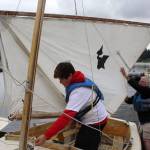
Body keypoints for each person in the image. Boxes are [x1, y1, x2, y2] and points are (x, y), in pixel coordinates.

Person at [35, 62, 108, 150]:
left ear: (69, 75)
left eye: (61, 79)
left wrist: (45, 136)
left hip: (95, 122)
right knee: (85, 143)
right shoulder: (79, 79)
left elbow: (65, 118)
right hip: (97, 116)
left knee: (81, 147)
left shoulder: (78, 92)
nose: (60, 82)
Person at [120, 67, 150, 150]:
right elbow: (129, 101)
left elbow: (135, 85)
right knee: (145, 139)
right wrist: (123, 96)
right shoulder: (139, 94)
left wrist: (126, 76)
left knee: (147, 140)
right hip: (143, 122)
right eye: (140, 81)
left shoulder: (147, 91)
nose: (140, 82)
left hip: (148, 122)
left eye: (143, 81)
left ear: (147, 84)